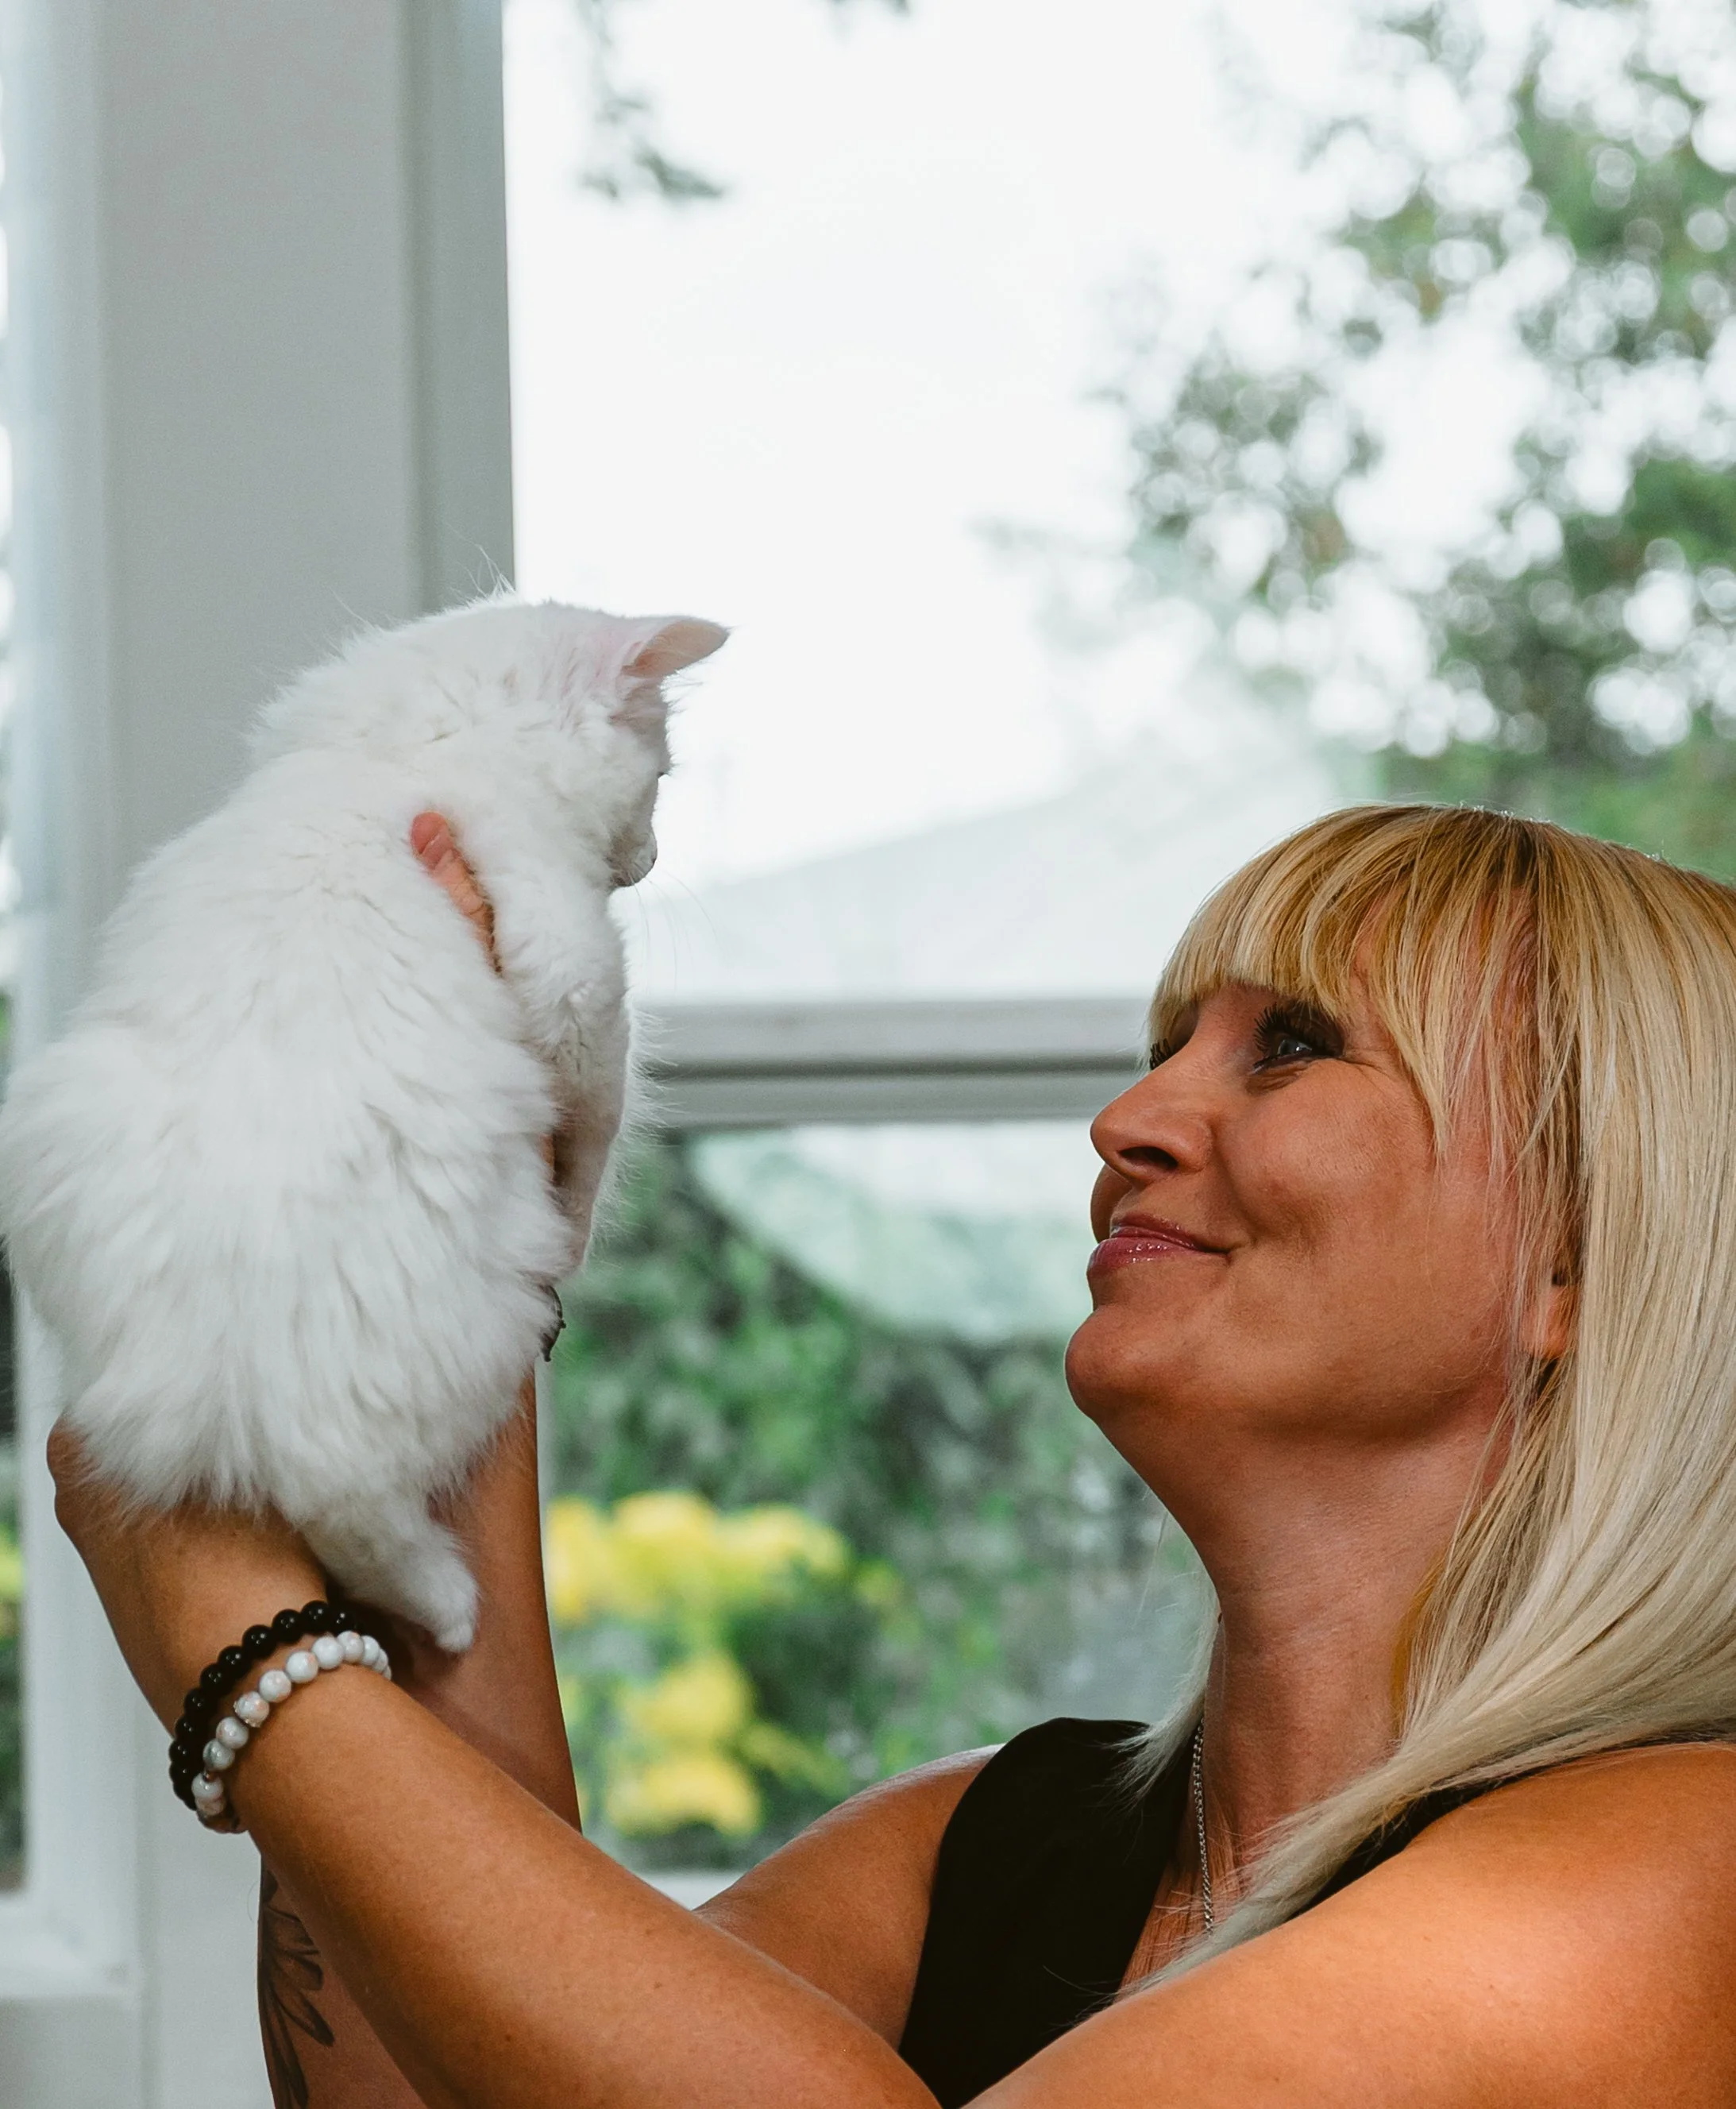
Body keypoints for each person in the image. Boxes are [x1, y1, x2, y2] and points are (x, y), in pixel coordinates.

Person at [51, 801, 1736, 2107]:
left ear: (1574, 1260)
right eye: (1168, 1045)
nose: (1129, 1120)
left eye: (1289, 1047)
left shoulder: (1683, 1862)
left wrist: (256, 1666)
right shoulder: (982, 1847)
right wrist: (468, 1280)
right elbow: (453, 2079)